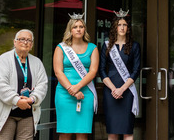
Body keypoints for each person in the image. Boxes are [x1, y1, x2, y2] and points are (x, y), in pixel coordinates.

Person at [0, 29, 48, 140]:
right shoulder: (4, 59)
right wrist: (17, 101)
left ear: (32, 44)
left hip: (28, 114)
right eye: (22, 39)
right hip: (6, 113)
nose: (25, 42)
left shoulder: (37, 62)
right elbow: (0, 84)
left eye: (29, 40)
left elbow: (43, 84)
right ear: (15, 42)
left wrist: (32, 99)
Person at [53, 14, 99, 139]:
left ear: (84, 29)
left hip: (85, 94)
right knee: (65, 132)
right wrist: (71, 89)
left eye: (81, 26)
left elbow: (93, 71)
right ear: (70, 30)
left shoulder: (92, 48)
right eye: (75, 27)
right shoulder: (61, 48)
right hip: (64, 94)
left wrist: (77, 87)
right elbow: (58, 72)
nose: (78, 29)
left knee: (82, 132)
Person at [99, 11, 141, 140]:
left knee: (127, 131)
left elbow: (136, 70)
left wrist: (122, 89)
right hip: (110, 91)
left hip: (127, 91)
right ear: (114, 28)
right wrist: (113, 89)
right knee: (112, 131)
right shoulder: (106, 46)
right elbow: (101, 70)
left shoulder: (135, 46)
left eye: (125, 25)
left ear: (128, 28)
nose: (122, 27)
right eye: (119, 25)